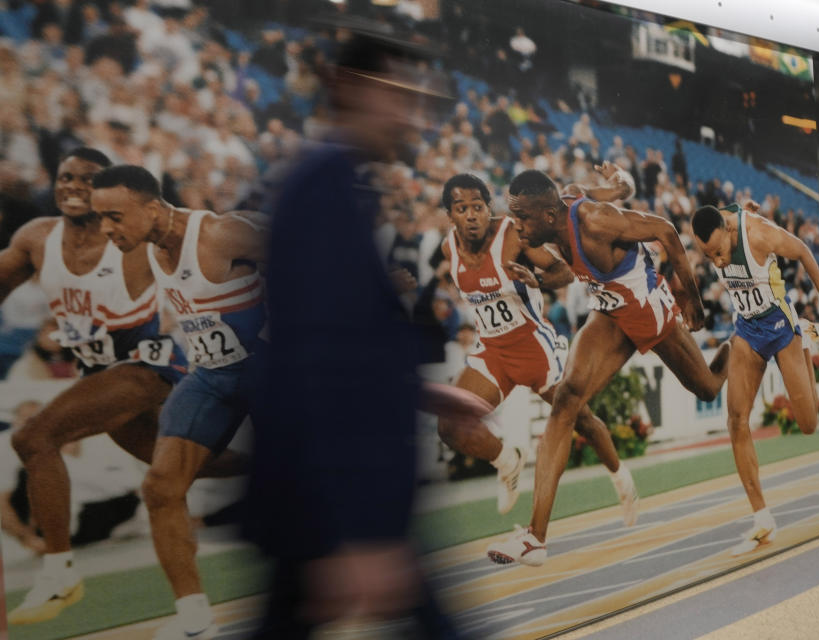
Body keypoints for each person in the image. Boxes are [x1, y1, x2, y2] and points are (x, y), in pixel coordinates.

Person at [245, 29, 471, 639]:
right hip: (333, 500)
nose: (409, 113)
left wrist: (420, 390)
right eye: (395, 95)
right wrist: (360, 530)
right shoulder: (322, 188)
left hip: (326, 496)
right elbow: (317, 361)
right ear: (349, 88)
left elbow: (346, 344)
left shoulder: (340, 185)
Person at [486, 167, 729, 566]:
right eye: (512, 216)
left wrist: (692, 298)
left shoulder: (595, 221)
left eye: (522, 218)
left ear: (548, 216)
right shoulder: (558, 212)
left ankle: (739, 345)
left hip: (649, 308)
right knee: (565, 400)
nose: (516, 226)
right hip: (610, 313)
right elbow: (620, 190)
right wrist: (621, 178)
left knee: (707, 388)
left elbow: (666, 230)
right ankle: (535, 537)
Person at [0, 148, 190, 626]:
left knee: (33, 437)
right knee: (192, 465)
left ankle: (60, 572)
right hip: (99, 377)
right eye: (65, 177)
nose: (72, 186)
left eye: (86, 179)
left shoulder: (134, 236)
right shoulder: (36, 238)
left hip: (148, 365)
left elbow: (206, 243)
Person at [90, 164, 266, 639]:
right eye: (99, 217)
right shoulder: (140, 251)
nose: (106, 228)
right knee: (160, 487)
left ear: (152, 208)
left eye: (114, 216)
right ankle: (193, 619)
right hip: (212, 377)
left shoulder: (221, 232)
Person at [439, 173, 638, 522]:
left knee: (584, 421)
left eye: (477, 206)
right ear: (450, 215)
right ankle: (508, 461)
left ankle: (621, 478)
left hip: (535, 349)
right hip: (493, 353)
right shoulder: (447, 249)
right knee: (450, 425)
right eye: (461, 208)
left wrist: (539, 280)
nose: (471, 215)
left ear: (489, 208)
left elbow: (564, 271)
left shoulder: (512, 235)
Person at [691, 202, 819, 555]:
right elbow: (722, 212)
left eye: (718, 252)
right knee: (736, 419)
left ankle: (807, 340)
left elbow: (804, 252)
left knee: (809, 424)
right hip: (747, 330)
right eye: (709, 256)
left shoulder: (758, 233)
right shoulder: (716, 223)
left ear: (730, 232)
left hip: (781, 326)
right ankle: (761, 517)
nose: (717, 262)